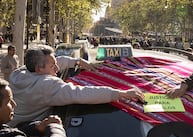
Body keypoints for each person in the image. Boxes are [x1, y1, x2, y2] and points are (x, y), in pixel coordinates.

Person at [8, 44, 144, 127]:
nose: (56, 69)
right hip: (23, 132)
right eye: (52, 66)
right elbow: (82, 93)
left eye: (55, 64)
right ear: (39, 69)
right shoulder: (46, 85)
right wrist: (121, 94)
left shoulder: (21, 72)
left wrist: (77, 61)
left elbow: (57, 62)